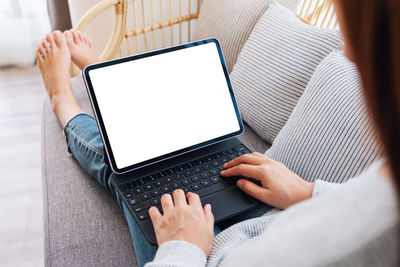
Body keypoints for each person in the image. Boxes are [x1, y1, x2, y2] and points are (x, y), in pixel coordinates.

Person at [36, 0, 399, 265]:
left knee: (127, 171)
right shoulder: (381, 195)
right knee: (160, 153)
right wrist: (307, 193)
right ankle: (106, 86)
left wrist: (184, 249)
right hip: (271, 210)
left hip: (207, 253)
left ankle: (64, 101)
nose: (346, 48)